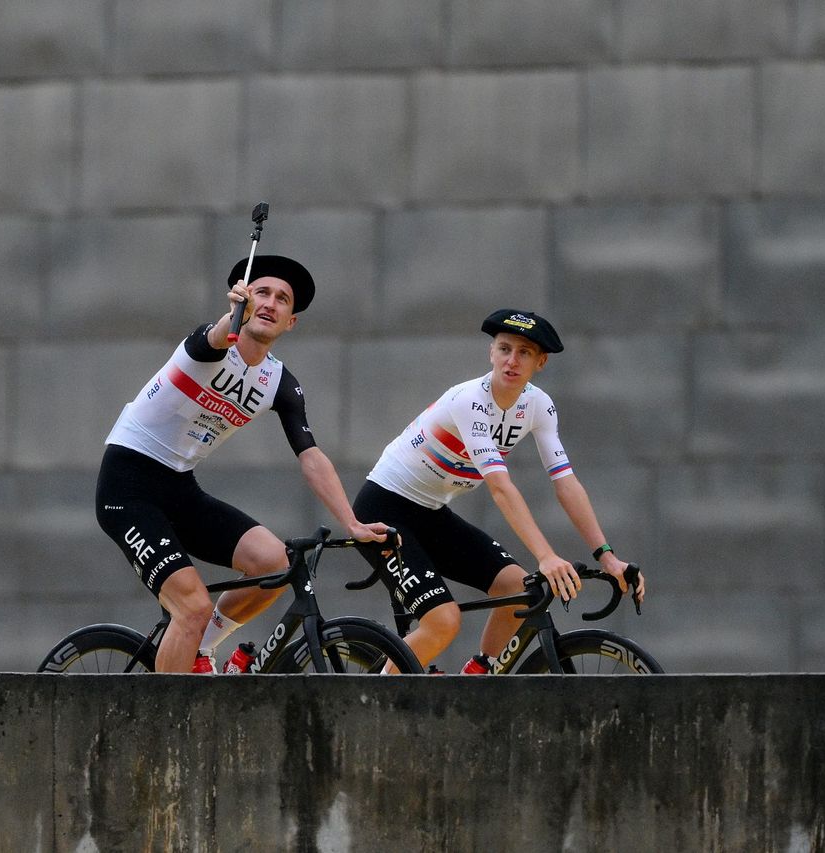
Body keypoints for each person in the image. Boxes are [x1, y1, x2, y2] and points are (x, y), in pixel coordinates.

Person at [96, 255, 389, 673]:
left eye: (282, 299)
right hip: (127, 487)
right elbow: (214, 337)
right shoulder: (209, 345)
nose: (270, 303)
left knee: (274, 562)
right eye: (261, 292)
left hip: (179, 488)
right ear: (242, 300)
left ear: (291, 322)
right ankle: (162, 729)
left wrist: (353, 524)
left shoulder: (279, 383)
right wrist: (228, 318)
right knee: (192, 609)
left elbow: (311, 455)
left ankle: (202, 648)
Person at [353, 309, 646, 673]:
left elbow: (566, 483)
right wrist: (546, 556)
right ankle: (372, 706)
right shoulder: (469, 401)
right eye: (504, 349)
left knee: (517, 589)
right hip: (383, 506)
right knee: (442, 622)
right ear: (491, 353)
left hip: (429, 511)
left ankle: (477, 678)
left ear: (540, 362)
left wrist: (607, 556)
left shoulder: (538, 406)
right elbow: (500, 487)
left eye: (524, 352)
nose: (512, 360)